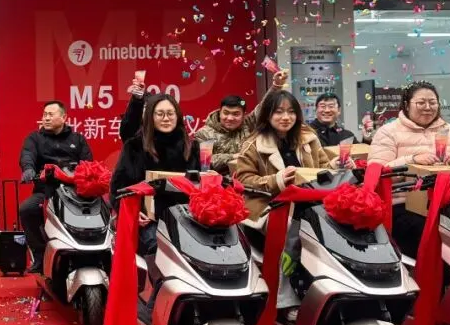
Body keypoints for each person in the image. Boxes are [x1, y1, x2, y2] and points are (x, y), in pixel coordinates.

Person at [232, 89, 344, 321]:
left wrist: (338, 165)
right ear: (268, 115)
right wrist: (277, 180)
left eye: (291, 112)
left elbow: (323, 167)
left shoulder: (308, 137)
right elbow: (243, 180)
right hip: (271, 207)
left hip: (310, 204)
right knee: (294, 230)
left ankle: (334, 290)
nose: (285, 117)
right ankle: (286, 300)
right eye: (279, 112)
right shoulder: (253, 144)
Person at [368, 81, 450, 257]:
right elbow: (377, 175)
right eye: (421, 103)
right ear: (406, 104)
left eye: (432, 102)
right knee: (426, 232)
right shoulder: (388, 132)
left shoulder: (449, 130)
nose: (428, 107)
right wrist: (411, 160)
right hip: (402, 204)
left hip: (446, 202)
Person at [110, 94, 200, 256]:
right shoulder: (135, 146)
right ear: (150, 117)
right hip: (149, 221)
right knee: (158, 252)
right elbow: (118, 188)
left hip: (188, 220)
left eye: (170, 113)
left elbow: (201, 185)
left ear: (178, 116)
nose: (166, 118)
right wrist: (133, 212)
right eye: (160, 114)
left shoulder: (192, 147)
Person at [17, 100, 94, 273]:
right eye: (44, 114)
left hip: (75, 192)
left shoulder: (77, 139)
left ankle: (90, 253)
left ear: (64, 117)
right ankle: (40, 254)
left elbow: (88, 163)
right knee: (27, 209)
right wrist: (28, 169)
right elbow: (27, 155)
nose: (46, 118)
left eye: (51, 115)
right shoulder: (35, 138)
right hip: (46, 191)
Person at [120, 70, 288, 146]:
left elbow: (263, 108)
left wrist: (276, 86)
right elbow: (208, 163)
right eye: (226, 113)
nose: (230, 118)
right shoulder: (204, 134)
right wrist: (238, 158)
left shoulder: (182, 141)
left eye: (236, 114)